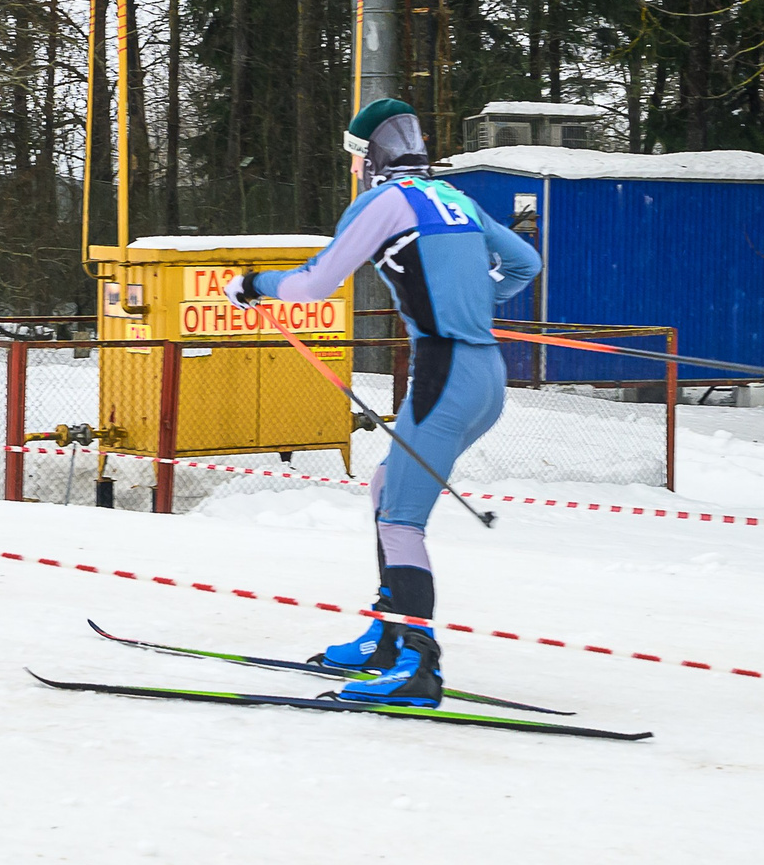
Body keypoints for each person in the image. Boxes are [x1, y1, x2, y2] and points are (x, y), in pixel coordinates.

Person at [222, 98, 541, 707]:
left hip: (445, 376)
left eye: (356, 156)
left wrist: (253, 285)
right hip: (486, 378)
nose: (354, 168)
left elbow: (314, 284)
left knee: (400, 520)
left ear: (373, 156)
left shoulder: (384, 203)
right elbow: (526, 263)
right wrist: (480, 299)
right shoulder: (455, 198)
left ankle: (419, 666)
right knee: (386, 486)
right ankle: (388, 638)